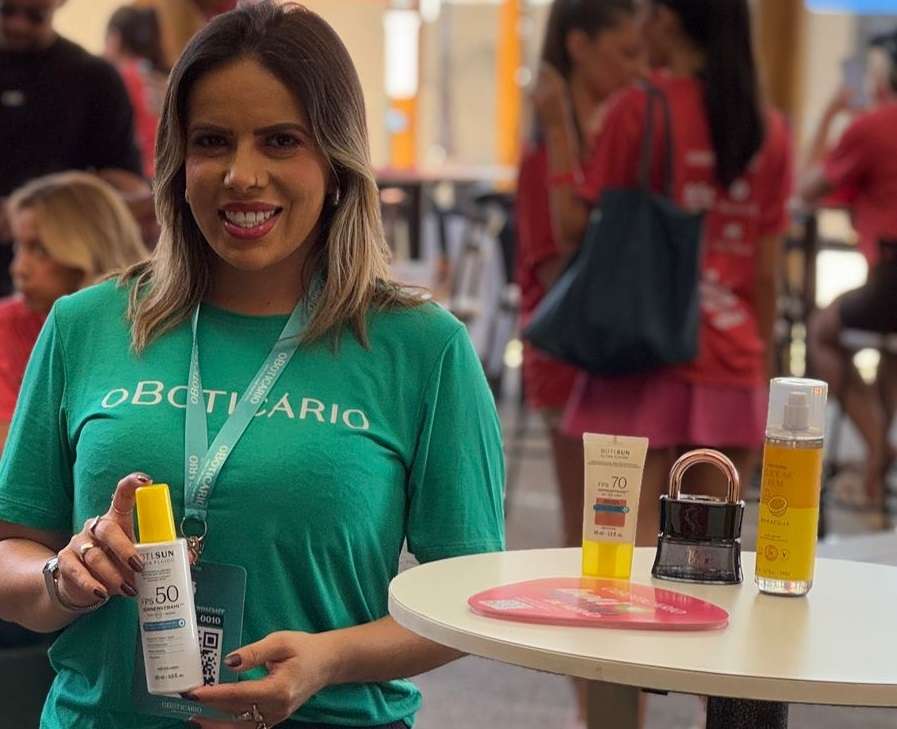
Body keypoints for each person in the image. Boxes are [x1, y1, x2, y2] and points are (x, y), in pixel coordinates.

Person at [0, 4, 505, 729]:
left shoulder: (420, 348)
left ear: (334, 160)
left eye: (280, 141)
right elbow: (11, 549)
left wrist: (331, 658)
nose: (242, 175)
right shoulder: (87, 324)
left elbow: (467, 595)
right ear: (177, 162)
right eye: (212, 141)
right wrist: (62, 577)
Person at [543, 0, 793, 546]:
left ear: (670, 20)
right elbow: (767, 273)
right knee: (707, 559)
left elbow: (571, 229)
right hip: (733, 358)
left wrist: (559, 129)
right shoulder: (769, 130)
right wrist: (758, 371)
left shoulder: (638, 109)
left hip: (641, 352)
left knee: (622, 556)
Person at [516, 5, 642, 725]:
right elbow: (561, 250)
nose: (635, 68)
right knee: (593, 554)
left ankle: (610, 709)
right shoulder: (551, 151)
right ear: (579, 45)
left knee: (626, 560)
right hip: (569, 360)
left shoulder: (610, 135)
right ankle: (599, 713)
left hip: (618, 361)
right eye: (622, 52)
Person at [799, 30, 897, 508]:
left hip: (890, 278)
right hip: (887, 292)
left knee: (820, 332)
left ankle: (878, 451)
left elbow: (806, 188)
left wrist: (834, 114)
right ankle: (877, 466)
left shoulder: (874, 126)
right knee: (890, 349)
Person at [0, 0, 148, 295]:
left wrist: (51, 218)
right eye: (6, 11)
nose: (18, 24)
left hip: (63, 277)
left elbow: (128, 188)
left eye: (34, 16)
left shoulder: (94, 78)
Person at [0, 171, 149, 452]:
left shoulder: (157, 319)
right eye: (18, 247)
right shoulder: (7, 325)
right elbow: (10, 459)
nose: (18, 269)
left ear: (87, 248)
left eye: (40, 249)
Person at [105, 6, 169, 179]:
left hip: (137, 173)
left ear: (115, 38)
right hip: (162, 168)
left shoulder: (117, 77)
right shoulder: (154, 75)